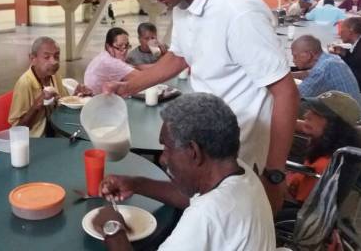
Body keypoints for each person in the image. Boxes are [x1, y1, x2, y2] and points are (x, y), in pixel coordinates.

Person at [108, 0, 299, 214]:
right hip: (205, 151)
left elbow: (285, 91)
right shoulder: (185, 5)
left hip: (240, 157)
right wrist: (129, 86)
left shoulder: (238, 11)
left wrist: (274, 175)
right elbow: (179, 57)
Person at [92, 93, 276, 250]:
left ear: (193, 151)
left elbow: (204, 211)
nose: (163, 158)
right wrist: (135, 183)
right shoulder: (241, 173)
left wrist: (113, 229)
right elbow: (189, 198)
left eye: (167, 148)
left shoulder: (205, 215)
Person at [287, 91, 361, 203]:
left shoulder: (320, 168)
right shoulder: (339, 152)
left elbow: (297, 205)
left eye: (316, 113)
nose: (306, 115)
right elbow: (304, 125)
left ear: (334, 125)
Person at [9, 37, 91, 137]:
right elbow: (17, 129)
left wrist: (77, 96)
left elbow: (62, 103)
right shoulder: (25, 84)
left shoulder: (53, 75)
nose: (54, 62)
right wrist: (36, 105)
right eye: (47, 57)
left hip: (57, 131)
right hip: (36, 140)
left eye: (57, 56)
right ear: (32, 59)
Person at [291, 35, 360, 101]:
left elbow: (295, 96)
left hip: (343, 112)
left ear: (308, 55)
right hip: (349, 107)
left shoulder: (321, 70)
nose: (293, 60)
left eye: (295, 56)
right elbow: (311, 73)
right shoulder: (329, 58)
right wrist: (290, 75)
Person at [84, 28, 139, 94]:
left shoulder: (104, 55)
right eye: (120, 46)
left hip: (93, 96)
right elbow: (143, 78)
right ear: (108, 46)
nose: (124, 51)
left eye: (126, 45)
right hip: (98, 99)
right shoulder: (112, 63)